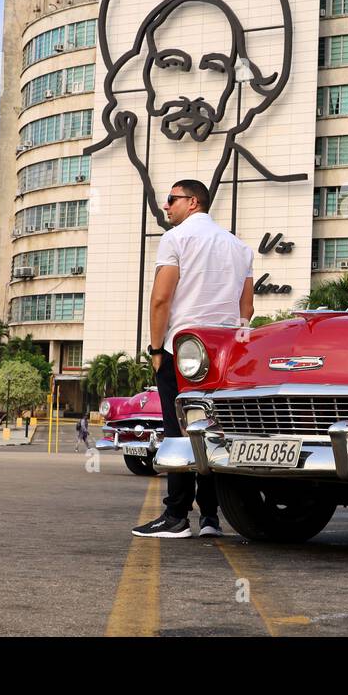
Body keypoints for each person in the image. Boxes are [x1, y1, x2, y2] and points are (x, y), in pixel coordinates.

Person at [132, 179, 253, 539]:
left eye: (171, 200)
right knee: (211, 431)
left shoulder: (176, 239)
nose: (166, 207)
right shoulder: (240, 247)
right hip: (224, 354)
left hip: (183, 350)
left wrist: (156, 350)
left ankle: (176, 517)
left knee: (178, 430)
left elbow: (160, 299)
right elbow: (246, 308)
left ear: (193, 202)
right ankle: (212, 518)